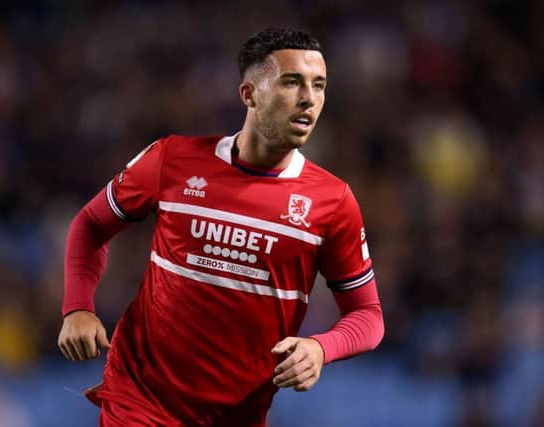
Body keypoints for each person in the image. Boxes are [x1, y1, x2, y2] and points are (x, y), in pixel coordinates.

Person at [58, 27, 384, 426]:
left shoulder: (333, 202)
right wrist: (77, 307)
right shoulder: (173, 160)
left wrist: (320, 348)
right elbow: (91, 224)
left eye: (319, 86)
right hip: (141, 399)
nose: (308, 99)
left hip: (236, 415)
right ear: (249, 94)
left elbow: (368, 316)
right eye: (291, 82)